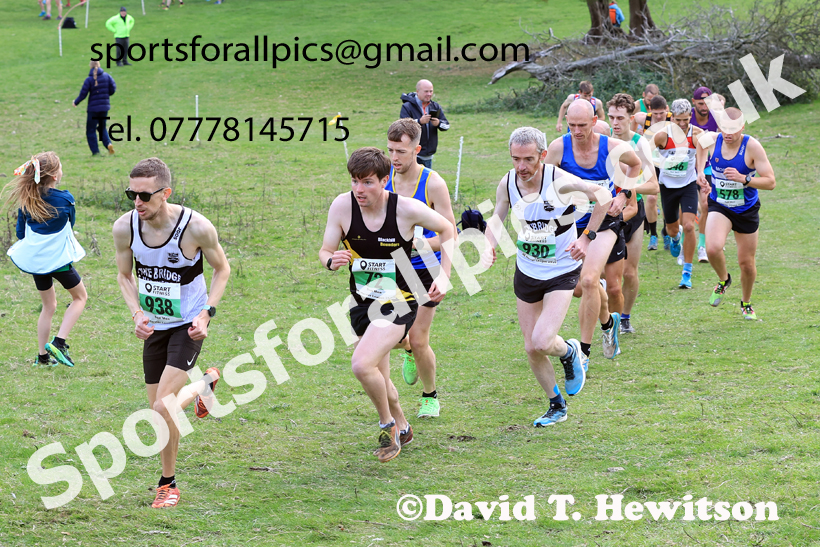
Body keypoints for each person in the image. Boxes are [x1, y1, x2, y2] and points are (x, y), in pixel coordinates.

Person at [319, 147, 454, 462]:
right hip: (362, 302)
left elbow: (448, 229)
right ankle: (404, 426)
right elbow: (325, 250)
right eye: (354, 181)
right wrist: (331, 260)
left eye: (367, 182)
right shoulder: (342, 206)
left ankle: (387, 426)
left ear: (384, 181)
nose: (359, 190)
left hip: (399, 301)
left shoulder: (406, 209)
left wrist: (444, 276)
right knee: (380, 378)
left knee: (360, 364)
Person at [113, 158, 231, 508]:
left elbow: (221, 270)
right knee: (158, 409)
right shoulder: (125, 228)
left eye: (145, 195)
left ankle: (168, 483)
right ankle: (204, 384)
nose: (138, 203)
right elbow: (124, 275)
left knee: (161, 409)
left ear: (165, 193)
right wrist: (136, 312)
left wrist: (206, 313)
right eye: (131, 194)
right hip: (154, 328)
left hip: (187, 327)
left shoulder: (196, 227)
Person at [483, 127, 612, 426]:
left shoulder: (560, 182)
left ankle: (570, 353)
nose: (521, 167)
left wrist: (587, 237)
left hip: (561, 269)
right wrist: (489, 242)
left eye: (528, 159)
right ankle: (557, 405)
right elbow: (497, 214)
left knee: (542, 341)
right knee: (531, 347)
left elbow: (603, 196)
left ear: (542, 155)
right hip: (527, 269)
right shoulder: (509, 182)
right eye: (515, 159)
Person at [545, 101, 641, 364]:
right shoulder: (558, 148)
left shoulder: (611, 147)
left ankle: (583, 354)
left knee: (589, 280)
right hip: (571, 224)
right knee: (577, 288)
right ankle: (608, 323)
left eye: (582, 125)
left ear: (594, 121)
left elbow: (636, 165)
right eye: (571, 125)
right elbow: (544, 179)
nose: (576, 131)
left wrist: (623, 194)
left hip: (605, 222)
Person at [385, 119, 457, 418]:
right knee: (390, 336)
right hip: (388, 268)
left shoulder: (433, 183)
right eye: (390, 150)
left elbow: (450, 232)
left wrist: (444, 274)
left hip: (424, 267)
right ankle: (408, 350)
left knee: (419, 337)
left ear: (418, 149)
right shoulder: (381, 177)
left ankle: (430, 396)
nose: (394, 158)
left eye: (401, 151)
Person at [4, 152, 88, 368]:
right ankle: (59, 343)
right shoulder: (66, 199)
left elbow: (21, 234)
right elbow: (71, 224)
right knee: (80, 298)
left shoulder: (27, 201)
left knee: (48, 306)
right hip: (59, 261)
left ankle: (42, 357)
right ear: (54, 175)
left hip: (36, 263)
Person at [696, 107, 776, 319]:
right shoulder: (712, 139)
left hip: (746, 210)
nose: (727, 133)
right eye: (723, 128)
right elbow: (700, 145)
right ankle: (723, 280)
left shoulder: (752, 147)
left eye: (733, 129)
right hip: (720, 205)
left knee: (746, 264)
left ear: (742, 126)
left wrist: (745, 179)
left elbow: (770, 182)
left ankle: (746, 303)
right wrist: (699, 173)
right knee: (712, 248)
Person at [606, 94, 660, 334]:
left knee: (629, 272)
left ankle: (625, 317)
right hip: (606, 214)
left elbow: (654, 186)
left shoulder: (640, 144)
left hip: (633, 213)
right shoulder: (602, 142)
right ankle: (608, 319)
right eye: (611, 118)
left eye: (620, 118)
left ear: (631, 119)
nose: (615, 123)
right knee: (605, 277)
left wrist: (629, 190)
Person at [654, 99, 704, 289]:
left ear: (690, 116)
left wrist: (700, 173)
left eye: (686, 119)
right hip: (668, 186)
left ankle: (687, 273)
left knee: (690, 225)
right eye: (678, 120)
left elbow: (703, 153)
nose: (682, 124)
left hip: (688, 184)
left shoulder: (697, 135)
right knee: (672, 229)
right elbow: (647, 155)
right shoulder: (661, 136)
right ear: (671, 117)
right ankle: (675, 238)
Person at [638, 94, 671, 250]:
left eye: (661, 113)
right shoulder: (644, 119)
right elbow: (632, 120)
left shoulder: (674, 120)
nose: (658, 117)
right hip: (651, 164)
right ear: (650, 110)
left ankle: (666, 232)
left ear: (667, 110)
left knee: (666, 202)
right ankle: (653, 235)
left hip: (668, 165)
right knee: (651, 199)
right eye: (655, 113)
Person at [690, 86, 719, 263]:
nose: (704, 106)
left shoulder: (716, 117)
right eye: (700, 103)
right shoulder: (688, 117)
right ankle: (680, 238)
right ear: (694, 102)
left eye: (707, 103)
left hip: (707, 168)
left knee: (706, 205)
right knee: (684, 212)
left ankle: (702, 246)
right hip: (686, 169)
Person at [399, 80, 450, 168]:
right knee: (413, 181)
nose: (429, 94)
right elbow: (402, 126)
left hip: (429, 155)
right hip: (413, 154)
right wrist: (419, 122)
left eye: (431, 91)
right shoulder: (407, 107)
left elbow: (446, 125)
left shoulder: (435, 106)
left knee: (426, 181)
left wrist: (438, 123)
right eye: (426, 91)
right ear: (418, 91)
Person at [73, 61, 116, 156]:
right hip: (104, 107)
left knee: (91, 130)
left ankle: (95, 152)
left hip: (93, 109)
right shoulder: (107, 76)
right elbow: (113, 89)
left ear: (90, 66)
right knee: (102, 127)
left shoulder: (89, 79)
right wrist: (105, 95)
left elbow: (83, 94)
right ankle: (108, 144)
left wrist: (75, 102)